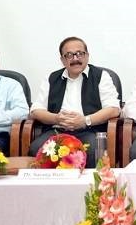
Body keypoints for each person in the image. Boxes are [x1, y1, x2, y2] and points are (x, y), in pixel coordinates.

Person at [28, 37, 120, 166]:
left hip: (90, 130)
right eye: (69, 55)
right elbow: (36, 110)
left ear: (87, 56)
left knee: (93, 150)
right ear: (62, 60)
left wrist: (84, 120)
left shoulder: (101, 76)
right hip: (57, 131)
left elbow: (113, 108)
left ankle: (89, 186)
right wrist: (56, 119)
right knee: (36, 148)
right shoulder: (52, 78)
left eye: (80, 54)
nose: (75, 59)